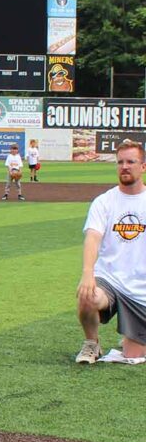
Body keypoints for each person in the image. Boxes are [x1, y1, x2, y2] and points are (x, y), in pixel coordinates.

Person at [76, 139, 146, 364]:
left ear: (143, 166)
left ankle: (133, 339)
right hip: (110, 281)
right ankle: (91, 344)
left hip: (141, 288)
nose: (124, 166)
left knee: (133, 354)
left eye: (131, 162)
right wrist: (88, 273)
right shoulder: (104, 201)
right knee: (87, 296)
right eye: (120, 162)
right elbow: (93, 237)